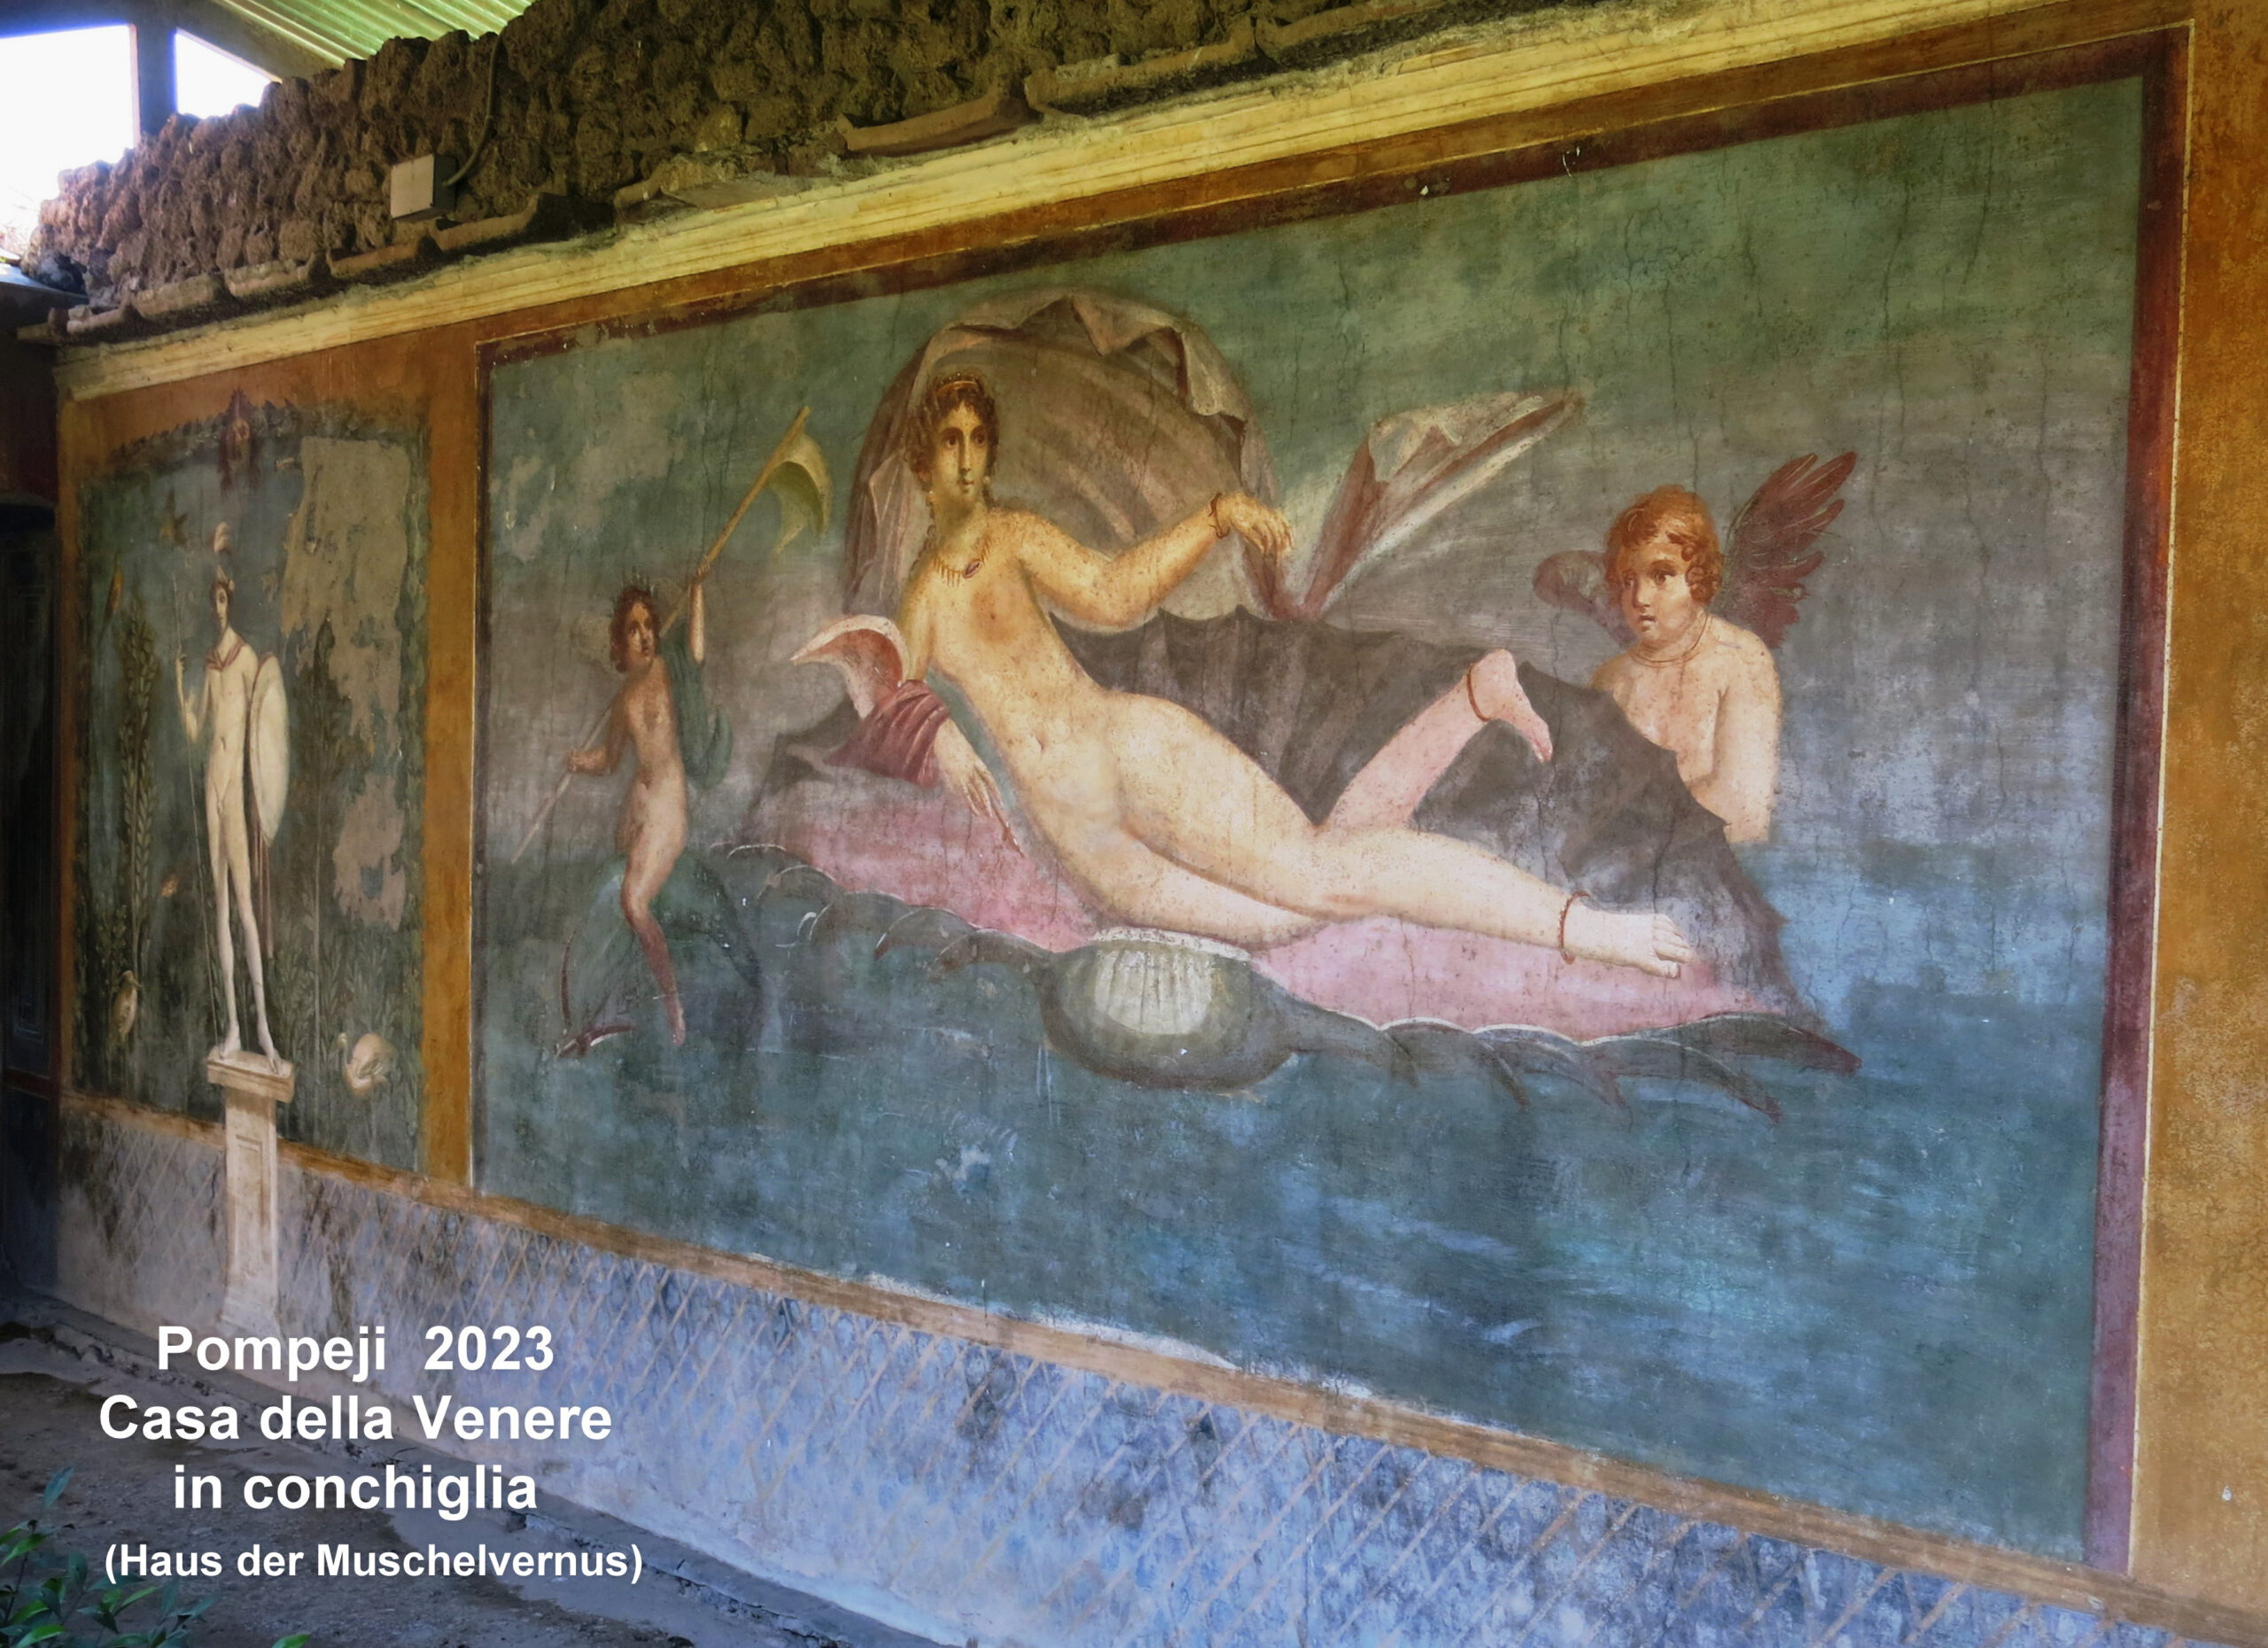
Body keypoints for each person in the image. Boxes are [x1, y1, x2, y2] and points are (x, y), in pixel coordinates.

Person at [871, 370, 1691, 976]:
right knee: (1293, 913)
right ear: (922, 462)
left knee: (1320, 876)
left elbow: (1114, 594)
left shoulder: (1014, 536)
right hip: (1076, 825)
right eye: (951, 442)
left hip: (1126, 744)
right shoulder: (920, 599)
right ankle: (1472, 700)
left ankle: (1581, 927)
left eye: (978, 439)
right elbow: (882, 683)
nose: (968, 458)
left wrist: (1216, 517)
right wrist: (939, 733)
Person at [564, 574, 729, 1045]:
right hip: (635, 807)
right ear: (620, 643)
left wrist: (697, 594)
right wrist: (579, 761)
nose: (644, 636)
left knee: (633, 903)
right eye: (633, 629)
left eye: (648, 626)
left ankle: (673, 1005)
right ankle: (611, 999)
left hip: (666, 808)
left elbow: (696, 652)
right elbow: (610, 760)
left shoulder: (670, 670)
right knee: (621, 900)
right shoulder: (623, 701)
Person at [1588, 486, 1781, 843]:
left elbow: (1745, 813)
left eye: (1661, 575)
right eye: (1628, 580)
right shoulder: (1609, 680)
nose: (1640, 598)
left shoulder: (1740, 657)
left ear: (1699, 575)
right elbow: (1590, 799)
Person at [175, 571, 279, 1066]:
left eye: (222, 599)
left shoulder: (247, 659)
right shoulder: (210, 664)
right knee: (220, 907)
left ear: (230, 602)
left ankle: (263, 1029)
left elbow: (264, 730)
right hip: (210, 788)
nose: (217, 608)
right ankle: (234, 1027)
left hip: (235, 790)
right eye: (212, 600)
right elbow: (196, 729)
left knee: (244, 908)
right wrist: (178, 684)